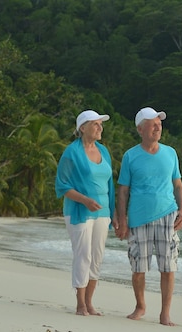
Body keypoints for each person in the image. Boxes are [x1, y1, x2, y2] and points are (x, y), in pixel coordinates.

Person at [115, 107, 182, 326]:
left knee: (168, 267)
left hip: (168, 216)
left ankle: (165, 313)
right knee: (138, 268)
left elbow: (178, 185)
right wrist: (122, 219)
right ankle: (140, 306)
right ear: (140, 129)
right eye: (153, 124)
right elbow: (123, 190)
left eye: (159, 124)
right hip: (139, 218)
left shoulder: (170, 153)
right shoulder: (130, 156)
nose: (158, 127)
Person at [55, 110, 116, 316]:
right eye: (96, 124)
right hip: (79, 211)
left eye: (101, 124)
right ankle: (80, 304)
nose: (100, 128)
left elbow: (110, 185)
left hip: (103, 212)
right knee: (83, 256)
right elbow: (62, 185)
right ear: (83, 128)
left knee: (97, 257)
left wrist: (114, 212)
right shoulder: (71, 153)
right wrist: (85, 200)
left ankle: (90, 302)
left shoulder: (104, 151)